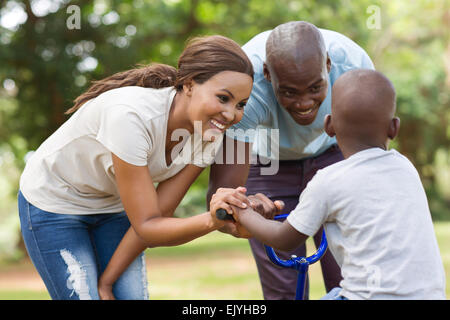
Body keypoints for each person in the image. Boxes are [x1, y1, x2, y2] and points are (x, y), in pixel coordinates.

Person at [17, 35, 254, 300]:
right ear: (188, 85)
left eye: (241, 104)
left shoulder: (208, 134)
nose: (232, 115)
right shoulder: (131, 116)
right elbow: (148, 225)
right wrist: (212, 219)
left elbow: (155, 222)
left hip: (112, 206)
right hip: (55, 203)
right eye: (223, 98)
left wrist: (107, 281)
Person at [212, 69, 447, 300]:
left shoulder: (328, 181)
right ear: (394, 128)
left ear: (329, 126)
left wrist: (243, 211)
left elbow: (284, 239)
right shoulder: (405, 167)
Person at [208, 21, 375, 299]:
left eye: (315, 87)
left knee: (351, 278)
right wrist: (246, 211)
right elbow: (223, 199)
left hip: (333, 152)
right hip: (268, 160)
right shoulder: (245, 84)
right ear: (267, 75)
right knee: (283, 288)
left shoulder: (354, 67)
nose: (304, 103)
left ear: (329, 65)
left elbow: (372, 155)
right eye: (289, 92)